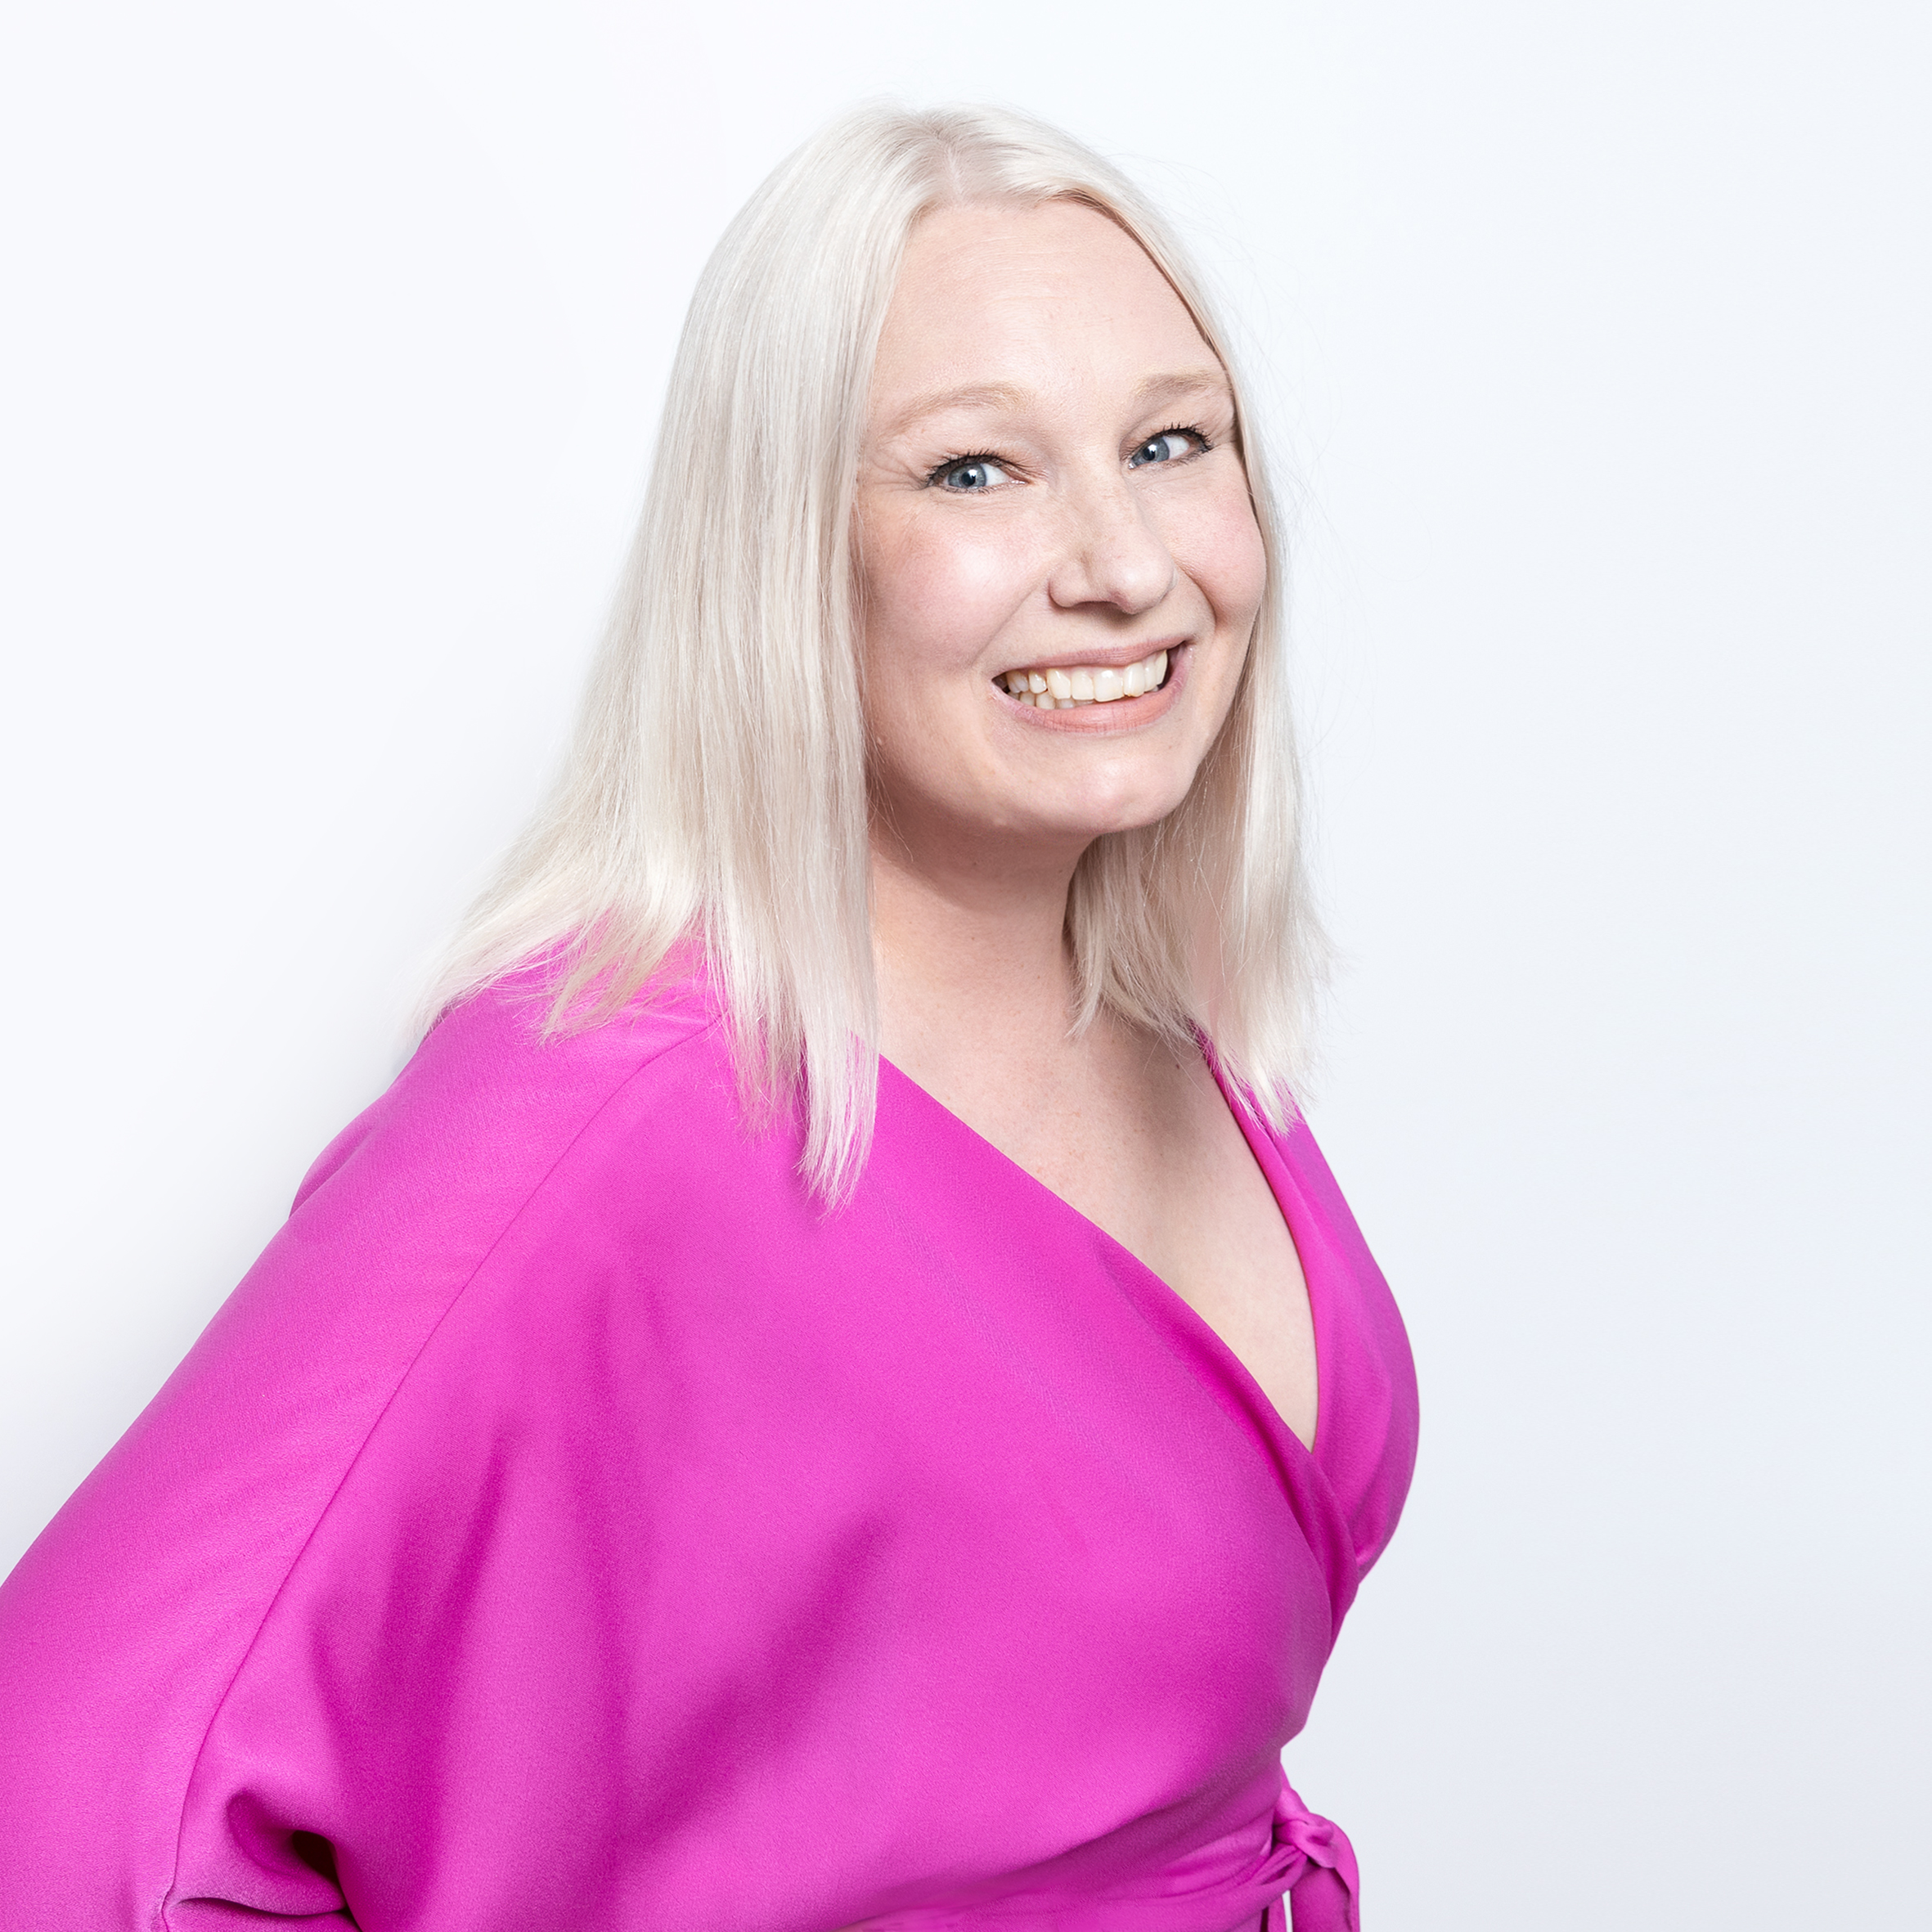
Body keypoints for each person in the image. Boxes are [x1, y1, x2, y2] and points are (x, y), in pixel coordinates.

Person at [0, 104, 1417, 1931]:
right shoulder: (609, 1101)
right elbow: (64, 1783)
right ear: (783, 549)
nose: (1123, 561)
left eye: (1169, 442)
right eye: (974, 470)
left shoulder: (1168, 1013)